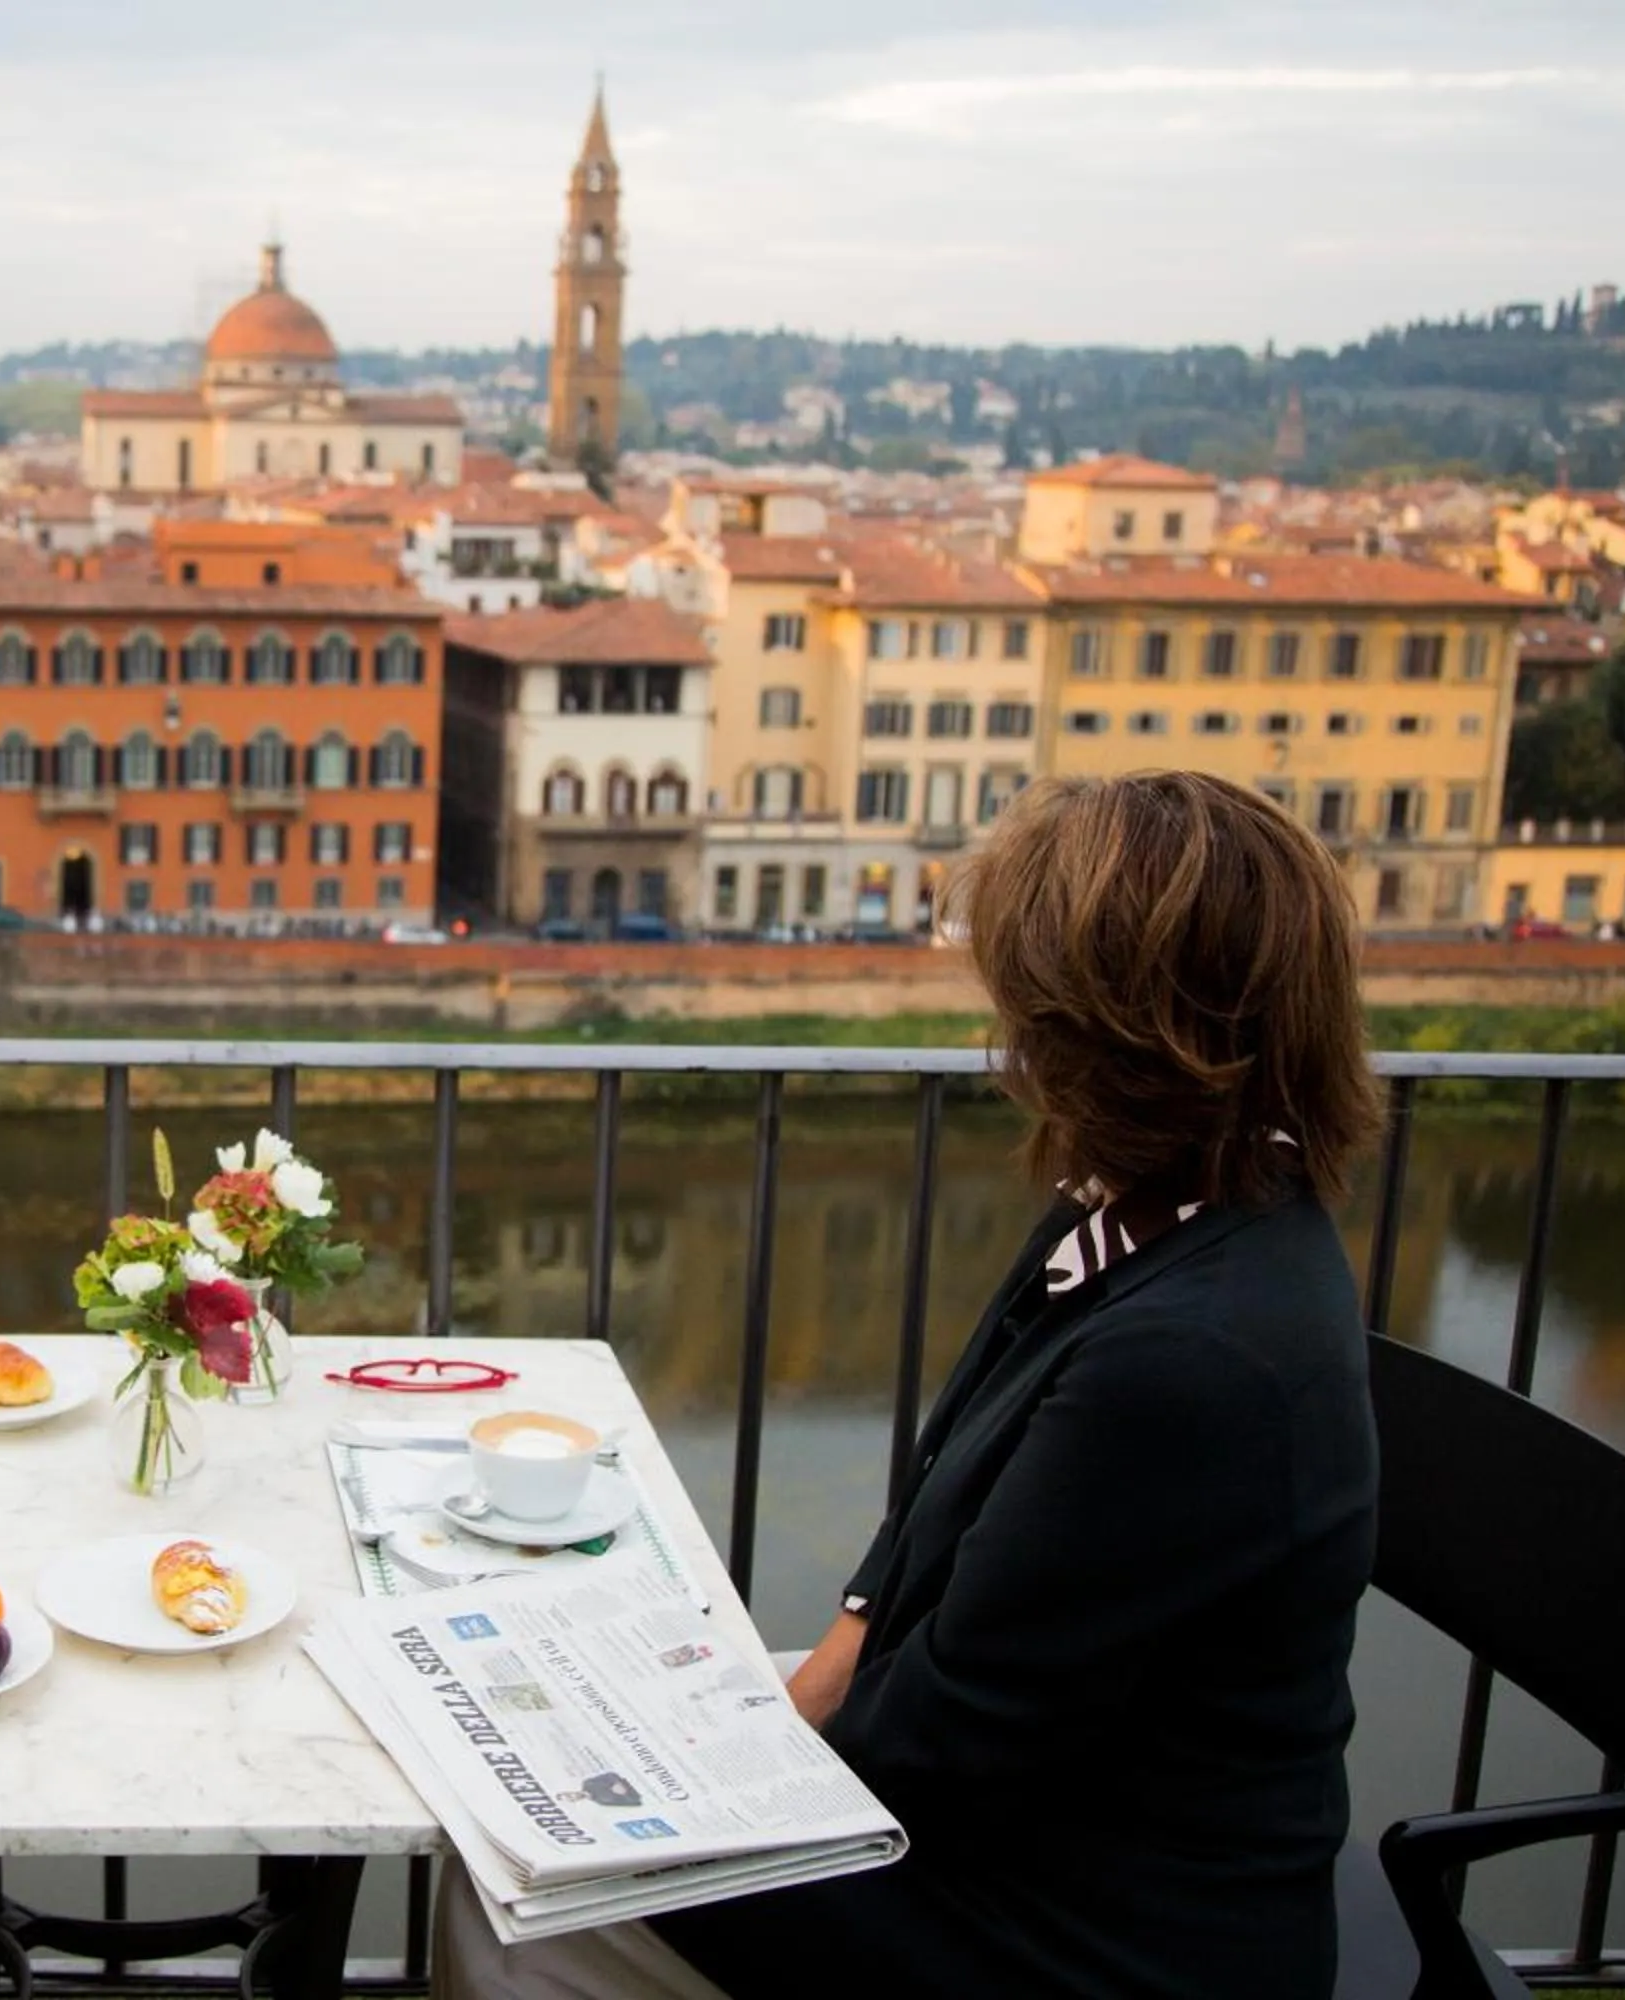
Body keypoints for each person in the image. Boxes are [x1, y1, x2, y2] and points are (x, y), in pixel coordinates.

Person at [435, 772, 1384, 2000]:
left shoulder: (1194, 1355)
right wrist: (825, 1664)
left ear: (1112, 1027)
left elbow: (947, 1746)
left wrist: (700, 1779)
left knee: (526, 1867)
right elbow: (941, 1479)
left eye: (1028, 1002)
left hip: (1093, 1931)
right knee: (575, 1776)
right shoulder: (1154, 1210)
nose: (1006, 1038)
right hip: (1053, 1819)